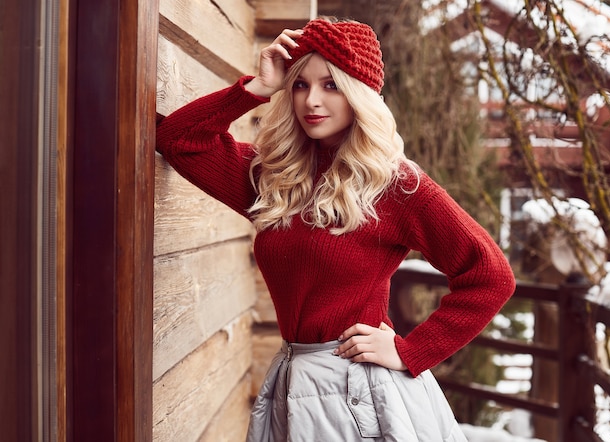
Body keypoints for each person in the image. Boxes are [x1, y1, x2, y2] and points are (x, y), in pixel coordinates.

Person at [156, 16, 516, 441]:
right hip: (293, 378)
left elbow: (491, 277)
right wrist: (257, 86)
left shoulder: (395, 185)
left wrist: (410, 351)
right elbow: (178, 139)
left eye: (331, 85)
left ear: (360, 96)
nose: (312, 100)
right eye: (300, 84)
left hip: (358, 394)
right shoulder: (274, 179)